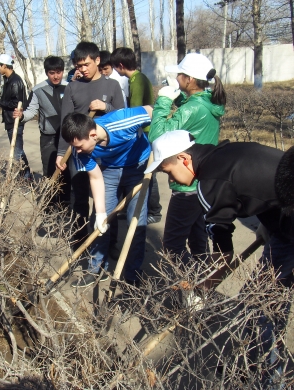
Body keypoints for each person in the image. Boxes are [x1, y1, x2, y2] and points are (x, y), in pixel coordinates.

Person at [145, 131, 294, 384]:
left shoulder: (209, 185)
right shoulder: (224, 152)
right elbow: (263, 182)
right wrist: (268, 221)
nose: (171, 179)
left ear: (183, 158)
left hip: (289, 226)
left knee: (262, 304)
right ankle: (248, 362)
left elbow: (224, 256)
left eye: (168, 172)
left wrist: (202, 290)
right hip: (283, 219)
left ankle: (270, 377)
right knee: (263, 297)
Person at [61, 106, 153, 287]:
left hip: (138, 167)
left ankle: (133, 274)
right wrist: (102, 212)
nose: (76, 151)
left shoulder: (123, 121)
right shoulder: (79, 151)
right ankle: (97, 269)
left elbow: (151, 111)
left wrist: (159, 138)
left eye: (79, 146)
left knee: (136, 220)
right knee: (99, 220)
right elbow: (95, 177)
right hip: (109, 170)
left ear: (93, 135)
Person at [148, 53, 226, 262]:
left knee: (173, 245)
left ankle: (185, 286)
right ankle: (200, 285)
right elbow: (191, 106)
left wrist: (164, 100)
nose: (178, 78)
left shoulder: (193, 108)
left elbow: (157, 137)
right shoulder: (207, 102)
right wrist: (180, 95)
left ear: (189, 79)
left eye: (180, 75)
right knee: (198, 239)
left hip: (186, 187)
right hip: (202, 184)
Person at [56, 41, 125, 246]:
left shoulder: (112, 85)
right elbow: (65, 123)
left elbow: (122, 116)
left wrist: (106, 106)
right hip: (77, 153)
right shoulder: (72, 87)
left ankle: (109, 242)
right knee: (79, 199)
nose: (82, 69)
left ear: (97, 60)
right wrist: (61, 152)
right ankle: (80, 240)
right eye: (78, 66)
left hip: (105, 151)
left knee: (106, 200)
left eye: (86, 64)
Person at [111, 47, 161, 224]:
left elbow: (135, 113)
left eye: (115, 67)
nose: (115, 71)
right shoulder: (137, 78)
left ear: (121, 65)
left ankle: (153, 211)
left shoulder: (137, 81)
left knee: (147, 174)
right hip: (145, 132)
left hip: (146, 134)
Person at [13, 56, 68, 180]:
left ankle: (67, 200)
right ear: (46, 72)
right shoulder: (38, 90)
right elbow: (31, 111)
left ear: (63, 71)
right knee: (49, 170)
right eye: (52, 73)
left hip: (67, 136)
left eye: (58, 72)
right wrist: (22, 116)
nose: (56, 76)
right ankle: (51, 198)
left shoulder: (70, 87)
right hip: (48, 138)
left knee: (67, 170)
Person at [0, 54, 32, 180]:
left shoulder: (15, 81)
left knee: (17, 151)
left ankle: (24, 176)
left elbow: (17, 103)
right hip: (10, 120)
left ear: (5, 66)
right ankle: (25, 174)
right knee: (17, 149)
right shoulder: (8, 80)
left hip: (15, 120)